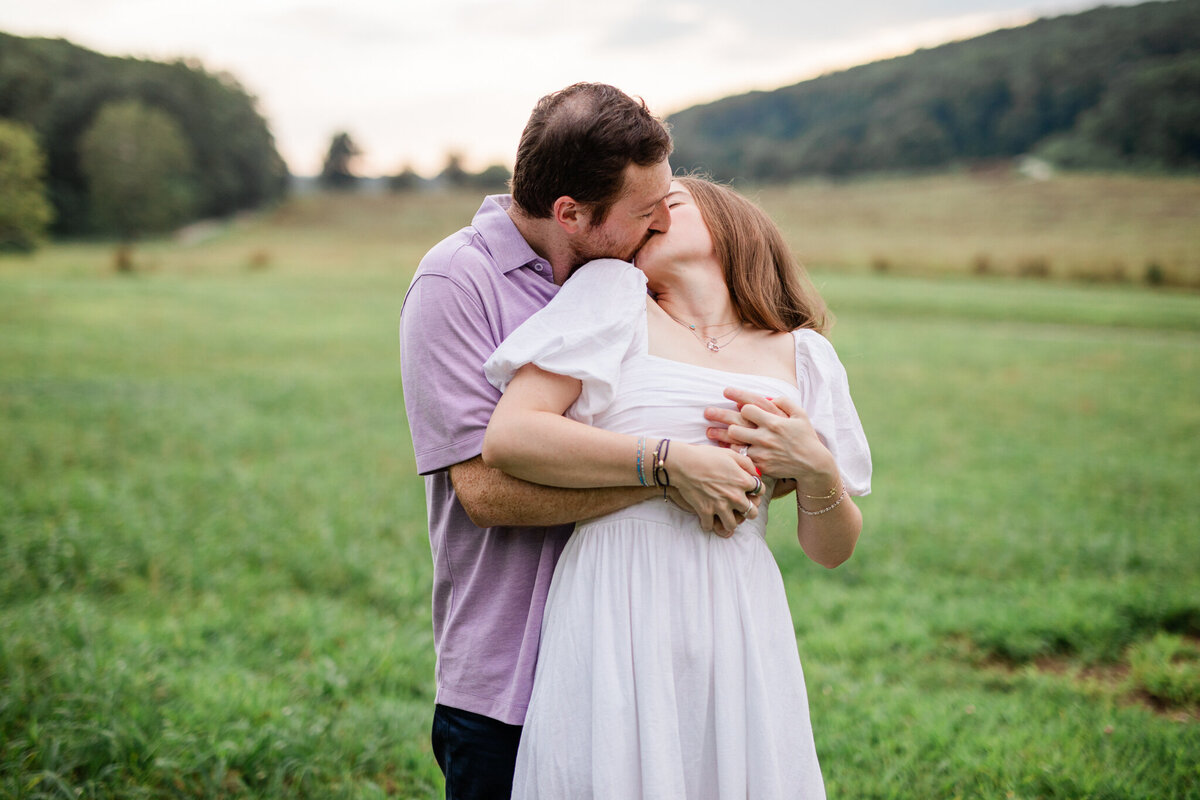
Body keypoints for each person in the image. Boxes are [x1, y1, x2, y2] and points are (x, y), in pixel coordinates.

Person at [480, 175, 872, 798]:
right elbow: (512, 436)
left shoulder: (804, 356)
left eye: (674, 201)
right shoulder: (612, 297)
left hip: (739, 610)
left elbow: (831, 549)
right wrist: (667, 464)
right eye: (645, 209)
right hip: (617, 596)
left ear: (733, 225)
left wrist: (818, 467)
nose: (653, 214)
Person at [400, 82, 691, 799]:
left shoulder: (631, 281)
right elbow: (487, 493)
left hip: (631, 670)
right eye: (644, 213)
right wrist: (668, 476)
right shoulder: (454, 282)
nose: (661, 229)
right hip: (509, 684)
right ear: (570, 213)